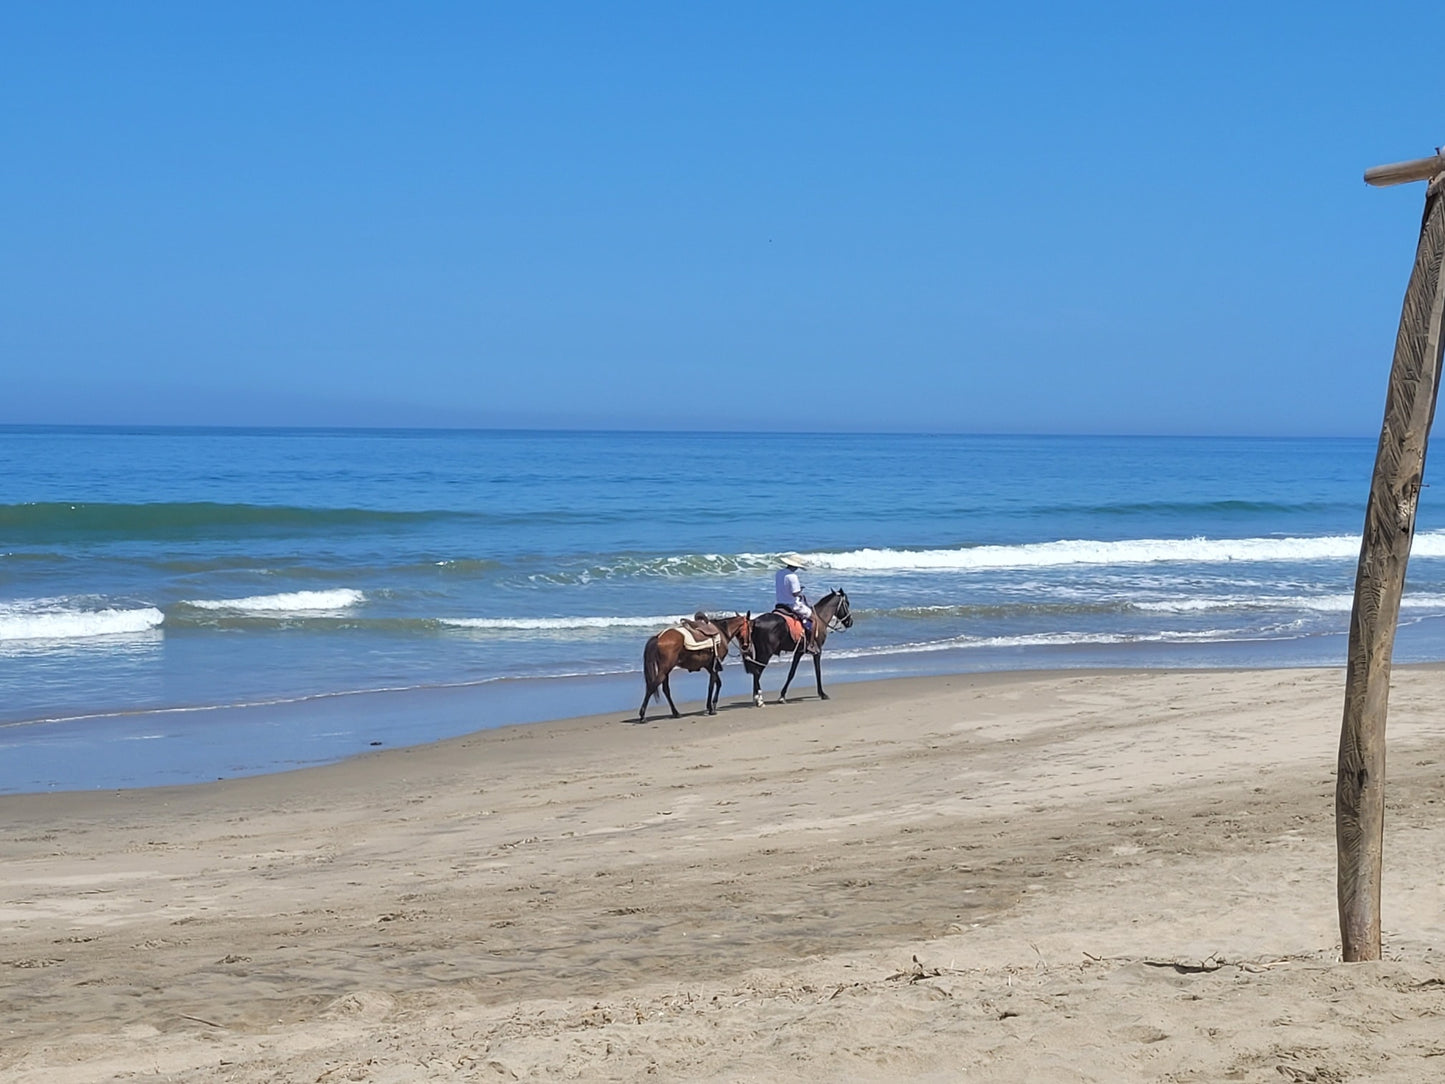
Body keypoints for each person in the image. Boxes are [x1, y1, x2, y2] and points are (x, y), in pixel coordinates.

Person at [774, 554, 813, 644]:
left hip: (780, 603)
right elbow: (795, 594)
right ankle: (809, 643)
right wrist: (800, 590)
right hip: (792, 604)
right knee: (812, 617)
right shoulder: (792, 576)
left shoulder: (779, 573)